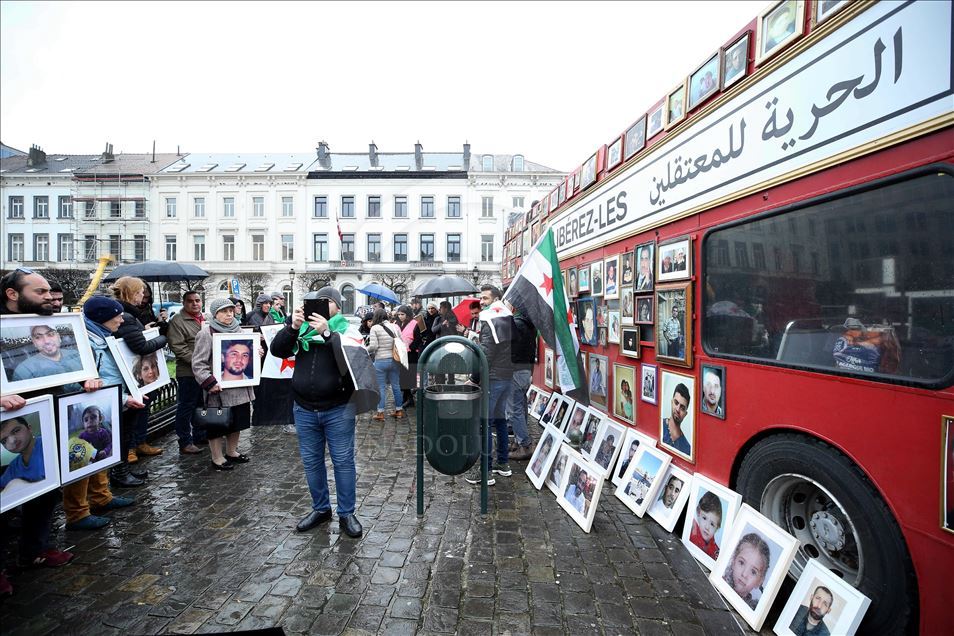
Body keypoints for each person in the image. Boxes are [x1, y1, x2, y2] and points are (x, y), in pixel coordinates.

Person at [0, 269, 98, 593]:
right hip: (8, 429)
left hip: (46, 423)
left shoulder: (60, 327)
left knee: (43, 492)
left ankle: (34, 551)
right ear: (13, 294)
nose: (49, 297)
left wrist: (86, 380)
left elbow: (71, 371)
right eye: (40, 292)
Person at [270, 287, 378, 538]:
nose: (317, 305)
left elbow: (352, 361)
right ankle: (321, 509)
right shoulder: (302, 330)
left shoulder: (346, 330)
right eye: (314, 301)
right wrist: (293, 328)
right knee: (311, 462)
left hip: (338, 408)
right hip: (305, 408)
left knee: (343, 462)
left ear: (337, 307)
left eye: (325, 301)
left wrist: (328, 333)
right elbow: (278, 350)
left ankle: (346, 513)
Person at [65, 296, 141, 527]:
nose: (121, 318)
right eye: (117, 315)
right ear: (102, 317)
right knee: (81, 457)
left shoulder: (103, 336)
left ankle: (101, 497)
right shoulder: (85, 341)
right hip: (87, 404)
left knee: (102, 452)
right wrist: (125, 397)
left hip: (107, 402)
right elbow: (88, 378)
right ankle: (78, 513)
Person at [112, 276, 167, 477]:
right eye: (140, 292)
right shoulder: (125, 316)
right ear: (131, 293)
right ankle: (123, 466)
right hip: (129, 376)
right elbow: (140, 346)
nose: (143, 295)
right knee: (126, 426)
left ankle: (130, 456)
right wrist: (161, 337)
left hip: (134, 374)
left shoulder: (129, 314)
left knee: (136, 416)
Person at [191, 299, 256, 470]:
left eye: (231, 310)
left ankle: (232, 451)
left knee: (238, 421)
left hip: (240, 387)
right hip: (219, 389)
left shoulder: (240, 330)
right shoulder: (206, 333)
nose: (229, 314)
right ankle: (217, 457)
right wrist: (209, 382)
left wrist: (256, 353)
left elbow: (246, 354)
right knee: (217, 424)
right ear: (215, 314)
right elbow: (198, 363)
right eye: (224, 311)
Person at [465, 285, 515, 486]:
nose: (482, 302)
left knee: (483, 423)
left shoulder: (488, 317)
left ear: (494, 299)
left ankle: (486, 471)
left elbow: (486, 353)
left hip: (492, 377)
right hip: (506, 375)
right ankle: (503, 464)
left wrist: (474, 377)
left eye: (485, 298)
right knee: (500, 420)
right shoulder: (507, 315)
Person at [167, 290, 207, 454]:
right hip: (188, 372)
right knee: (186, 407)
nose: (195, 303)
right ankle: (185, 441)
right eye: (190, 301)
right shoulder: (178, 320)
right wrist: (199, 363)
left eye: (197, 300)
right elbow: (179, 348)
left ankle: (200, 435)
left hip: (204, 371)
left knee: (201, 404)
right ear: (184, 303)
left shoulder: (204, 318)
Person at [506, 304, 536, 460]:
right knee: (521, 407)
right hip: (525, 371)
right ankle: (520, 441)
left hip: (515, 371)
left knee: (515, 410)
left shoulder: (516, 324)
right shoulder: (528, 324)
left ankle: (524, 445)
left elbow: (511, 350)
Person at [367, 307, 405, 421]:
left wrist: (364, 349)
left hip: (381, 361)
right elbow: (401, 342)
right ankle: (399, 410)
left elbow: (373, 346)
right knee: (396, 386)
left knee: (381, 387)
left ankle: (380, 413)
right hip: (394, 360)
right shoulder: (394, 326)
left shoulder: (375, 328)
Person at [12, 325, 83, 381]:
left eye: (50, 334)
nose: (46, 341)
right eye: (38, 337)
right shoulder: (24, 369)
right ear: (34, 343)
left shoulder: (76, 355)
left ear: (58, 337)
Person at [722, 532, 771, 610]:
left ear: (760, 581)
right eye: (741, 563)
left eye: (753, 572)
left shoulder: (750, 611)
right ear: (734, 561)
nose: (744, 574)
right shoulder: (719, 580)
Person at [394, 305, 418, 409]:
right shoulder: (397, 323)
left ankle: (409, 399)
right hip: (400, 353)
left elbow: (418, 339)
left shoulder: (415, 323)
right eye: (399, 314)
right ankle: (406, 397)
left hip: (410, 354)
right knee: (402, 376)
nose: (400, 316)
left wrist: (411, 347)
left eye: (402, 314)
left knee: (408, 377)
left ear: (407, 314)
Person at [689, 491, 724, 559]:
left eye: (712, 524)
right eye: (704, 518)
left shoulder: (716, 553)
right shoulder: (690, 529)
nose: (707, 527)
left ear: (717, 528)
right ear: (698, 513)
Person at [662, 382, 692, 456]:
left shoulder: (687, 448)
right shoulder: (658, 425)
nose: (678, 409)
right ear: (671, 402)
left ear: (685, 414)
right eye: (676, 402)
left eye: (682, 408)